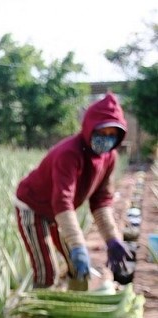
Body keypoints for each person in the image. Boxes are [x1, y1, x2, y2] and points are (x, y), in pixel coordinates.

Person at [14, 92, 131, 288]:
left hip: (57, 211)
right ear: (89, 128)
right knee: (47, 270)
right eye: (102, 132)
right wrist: (78, 244)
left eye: (113, 135)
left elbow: (101, 200)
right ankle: (41, 310)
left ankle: (76, 306)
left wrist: (112, 239)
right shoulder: (69, 153)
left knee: (78, 266)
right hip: (33, 206)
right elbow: (62, 200)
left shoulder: (109, 157)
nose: (107, 139)